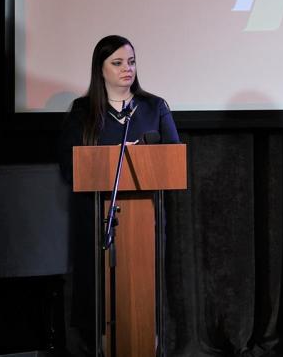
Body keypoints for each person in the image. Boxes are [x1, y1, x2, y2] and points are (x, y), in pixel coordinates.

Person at [57, 35, 180, 354]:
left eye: (131, 62)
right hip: (97, 218)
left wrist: (141, 155)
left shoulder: (154, 107)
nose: (127, 68)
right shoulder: (83, 111)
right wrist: (110, 156)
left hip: (145, 221)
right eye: (118, 63)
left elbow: (173, 159)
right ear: (100, 69)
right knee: (100, 297)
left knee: (142, 297)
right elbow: (68, 166)